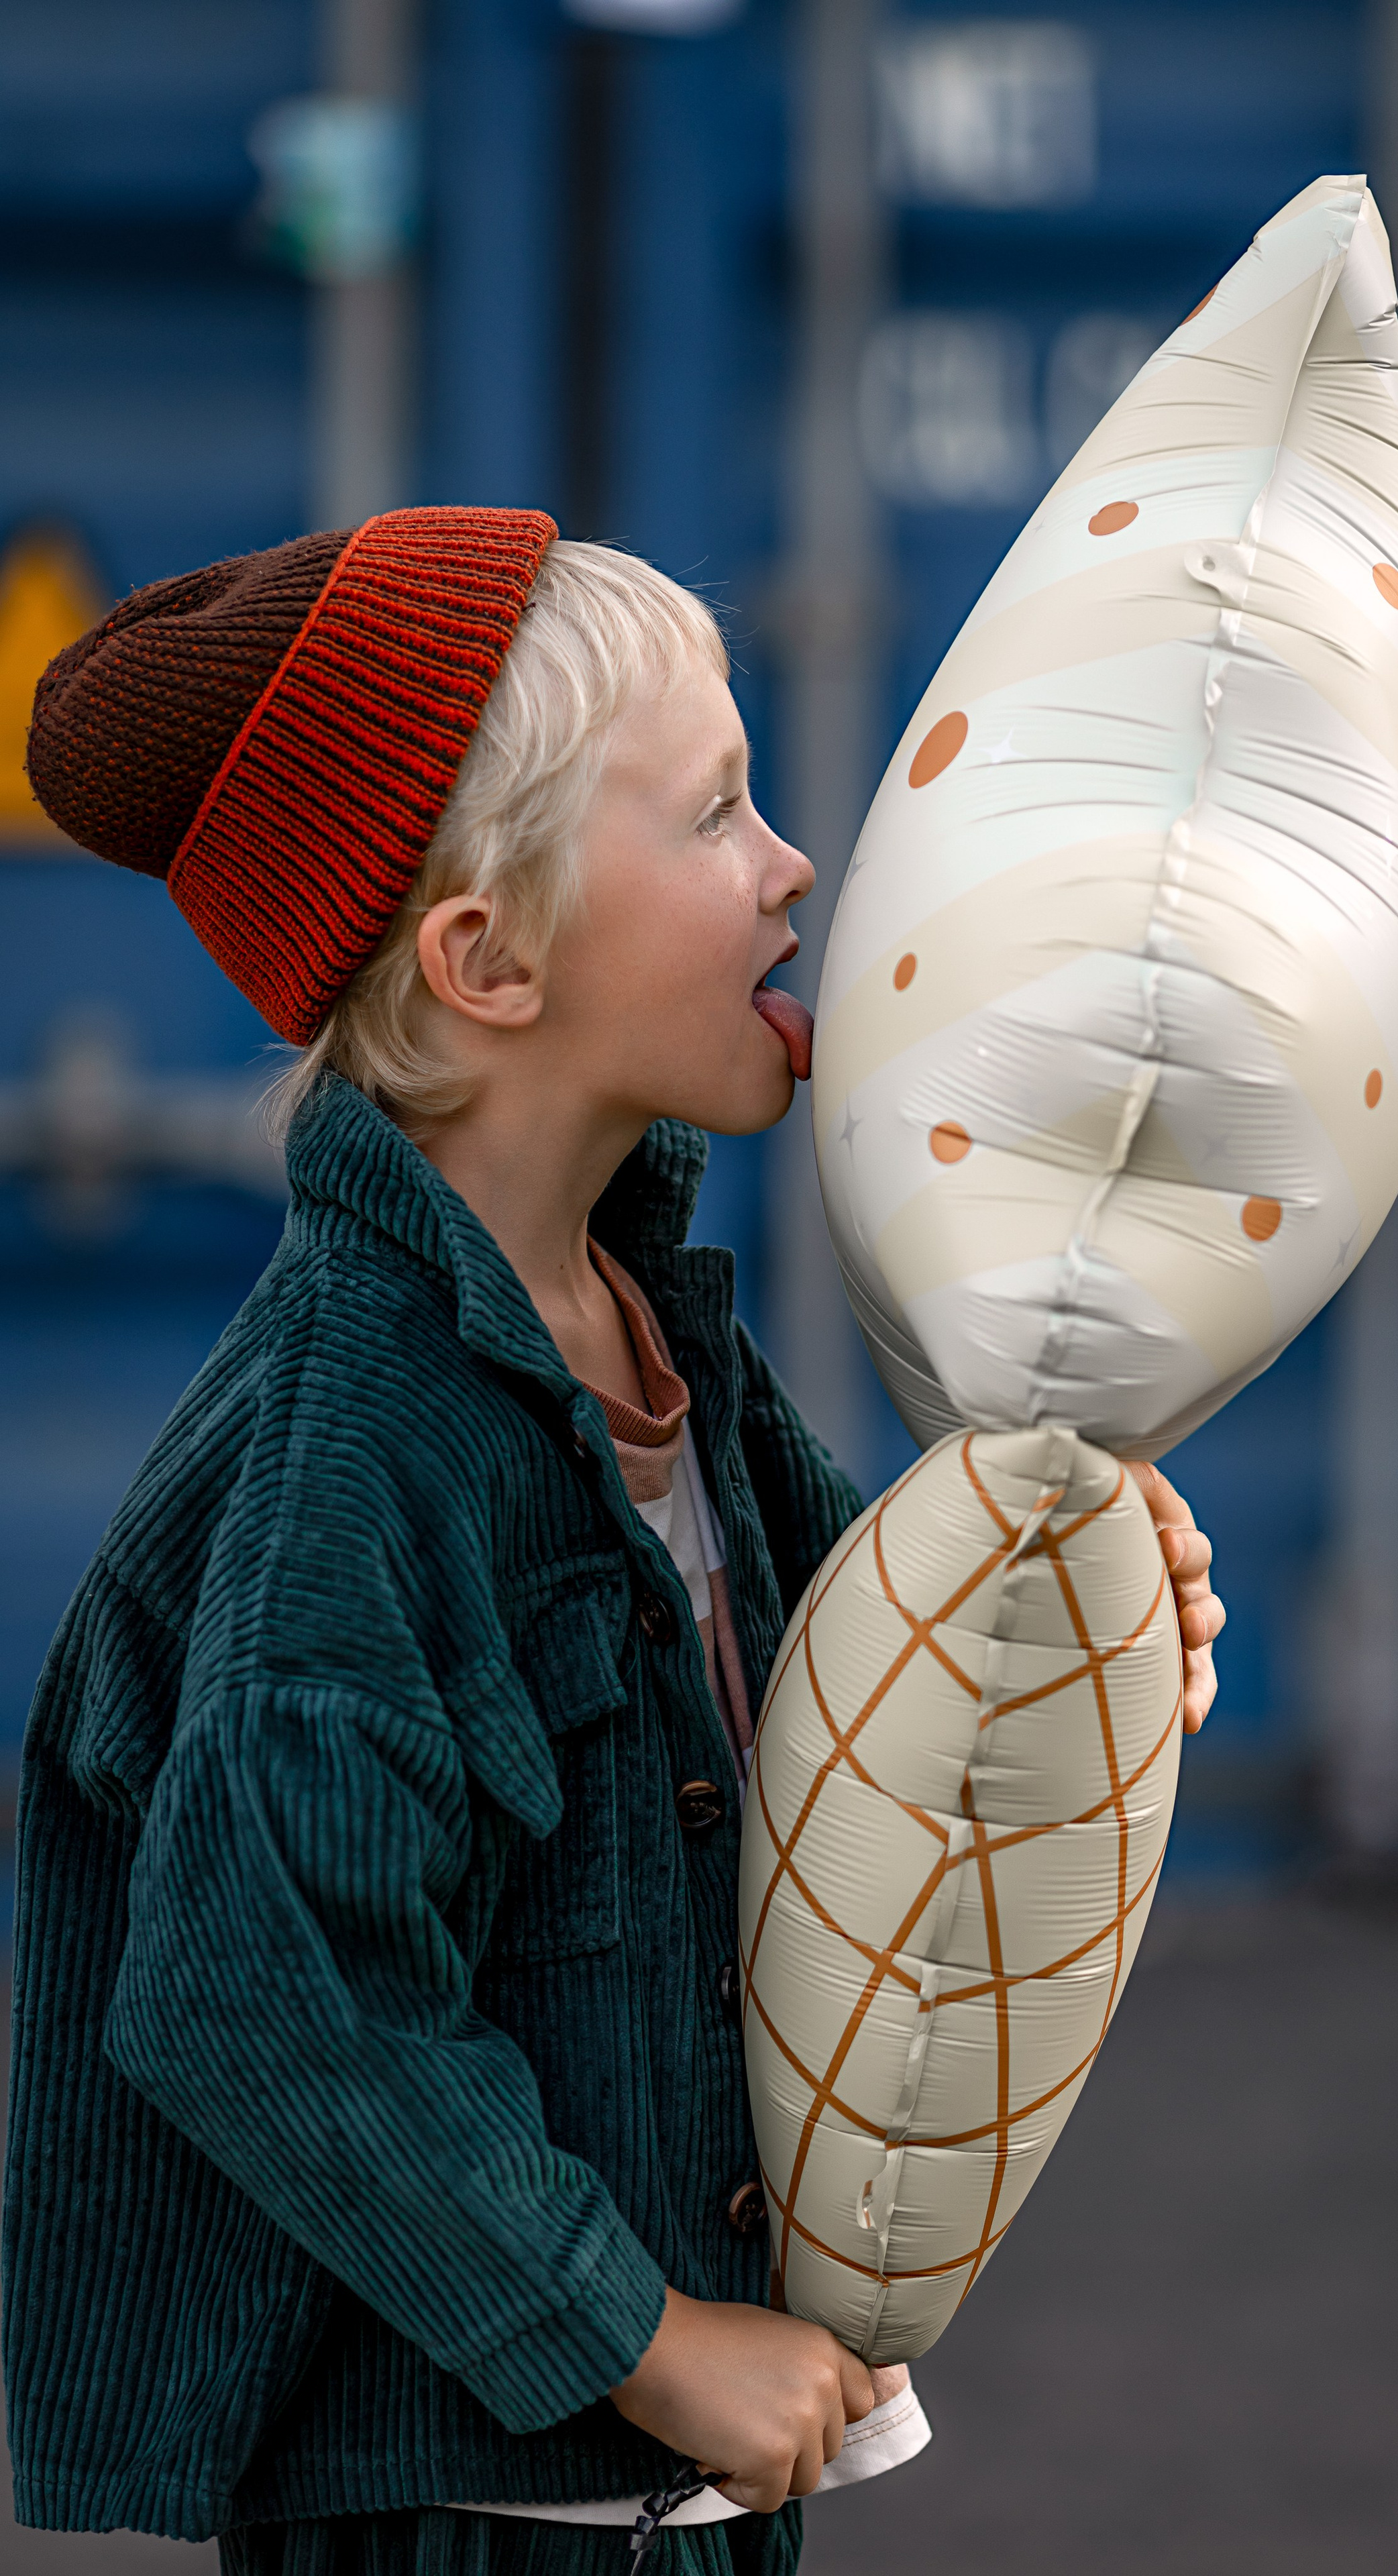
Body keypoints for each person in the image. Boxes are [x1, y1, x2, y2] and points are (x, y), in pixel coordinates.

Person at [2, 509, 1226, 2576]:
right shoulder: (356, 1452)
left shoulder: (655, 1336)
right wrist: (651, 2342)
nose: (798, 864)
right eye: (721, 811)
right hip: (482, 2515)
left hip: (658, 2511)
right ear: (490, 961)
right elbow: (264, 2002)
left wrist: (1085, 1614)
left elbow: (872, 1694)